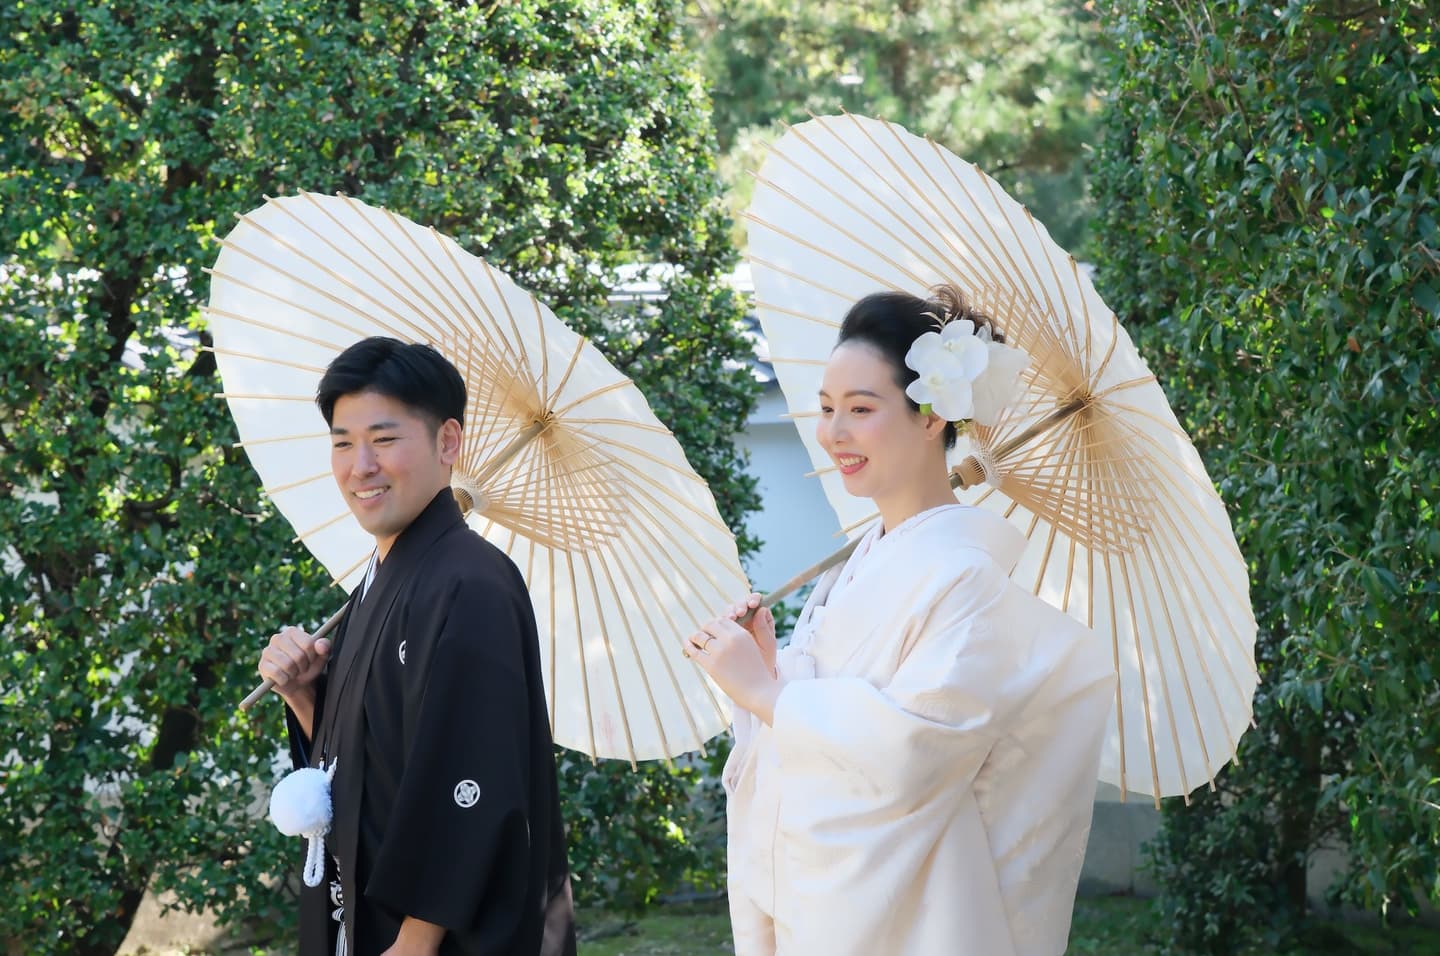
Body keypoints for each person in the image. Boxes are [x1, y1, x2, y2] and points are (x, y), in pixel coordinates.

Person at [684, 287, 1116, 956]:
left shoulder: (966, 578)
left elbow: (915, 755)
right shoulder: (854, 566)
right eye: (827, 410)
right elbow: (822, 724)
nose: (834, 434)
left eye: (861, 409)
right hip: (816, 907)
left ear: (932, 417)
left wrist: (769, 696)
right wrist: (773, 670)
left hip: (914, 918)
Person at [258, 337, 576, 956]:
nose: (360, 466)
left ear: (448, 442)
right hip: (363, 917)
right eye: (343, 443)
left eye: (383, 439)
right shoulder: (379, 580)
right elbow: (368, 757)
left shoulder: (472, 583)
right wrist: (304, 696)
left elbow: (474, 775)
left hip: (426, 938)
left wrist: (415, 941)